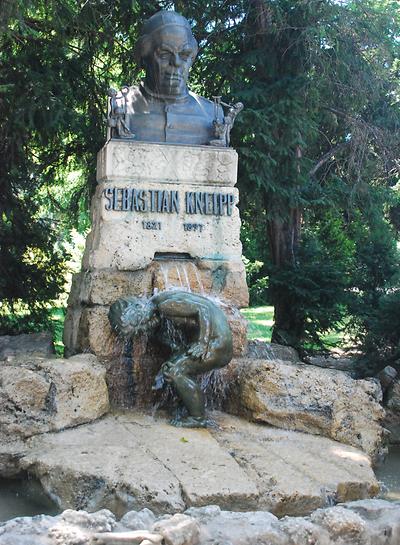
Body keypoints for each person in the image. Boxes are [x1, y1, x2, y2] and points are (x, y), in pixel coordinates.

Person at [108, 290, 233, 427]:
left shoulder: (165, 306)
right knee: (170, 368)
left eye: (139, 322)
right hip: (214, 341)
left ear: (138, 308)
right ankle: (187, 407)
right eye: (139, 331)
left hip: (216, 344)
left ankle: (198, 418)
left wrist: (202, 343)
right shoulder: (158, 306)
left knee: (175, 371)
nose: (144, 328)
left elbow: (202, 309)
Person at [108, 10, 224, 146]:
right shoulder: (120, 105)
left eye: (184, 55)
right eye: (164, 54)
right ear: (145, 58)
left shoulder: (212, 114)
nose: (176, 63)